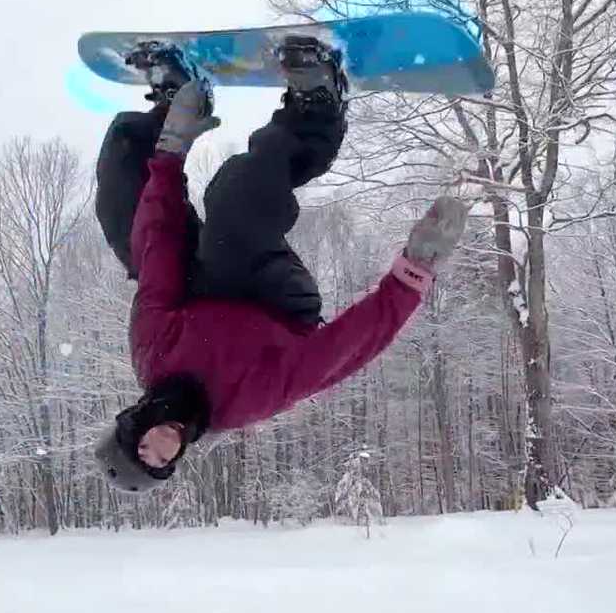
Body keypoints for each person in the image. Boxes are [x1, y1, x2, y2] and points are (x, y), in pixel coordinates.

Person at [92, 38, 467, 492]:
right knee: (232, 201)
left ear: (133, 424)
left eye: (143, 448)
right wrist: (412, 274)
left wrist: (171, 152)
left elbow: (158, 257)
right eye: (162, 463)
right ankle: (314, 112)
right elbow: (340, 351)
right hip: (271, 302)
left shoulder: (152, 353)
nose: (161, 448)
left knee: (127, 211)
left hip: (195, 288)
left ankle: (175, 105)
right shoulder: (246, 400)